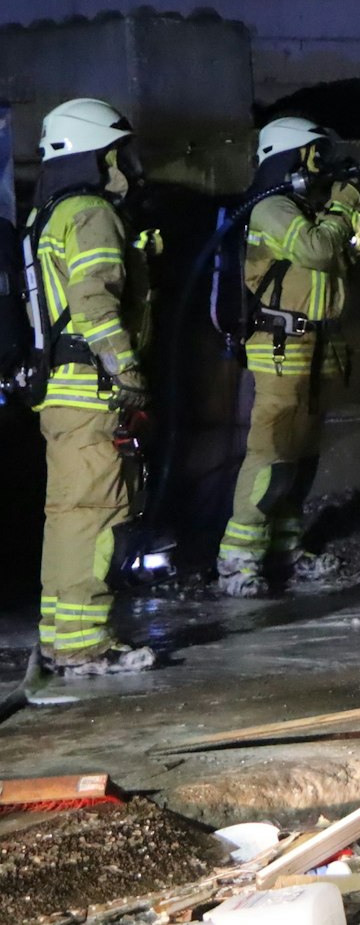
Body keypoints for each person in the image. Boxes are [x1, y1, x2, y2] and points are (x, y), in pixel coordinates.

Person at [216, 117, 360, 597]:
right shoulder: (271, 208)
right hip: (280, 345)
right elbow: (314, 249)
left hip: (319, 343)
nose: (322, 164)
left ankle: (285, 550)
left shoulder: (314, 211)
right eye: (317, 155)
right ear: (293, 156)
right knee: (272, 451)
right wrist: (340, 204)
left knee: (303, 452)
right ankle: (239, 559)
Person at [29, 97, 157, 675]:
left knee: (69, 514)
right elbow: (94, 301)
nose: (125, 164)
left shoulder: (50, 213)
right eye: (115, 152)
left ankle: (61, 636)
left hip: (60, 390)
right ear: (92, 154)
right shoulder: (89, 212)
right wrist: (125, 370)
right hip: (91, 388)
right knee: (99, 511)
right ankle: (83, 645)